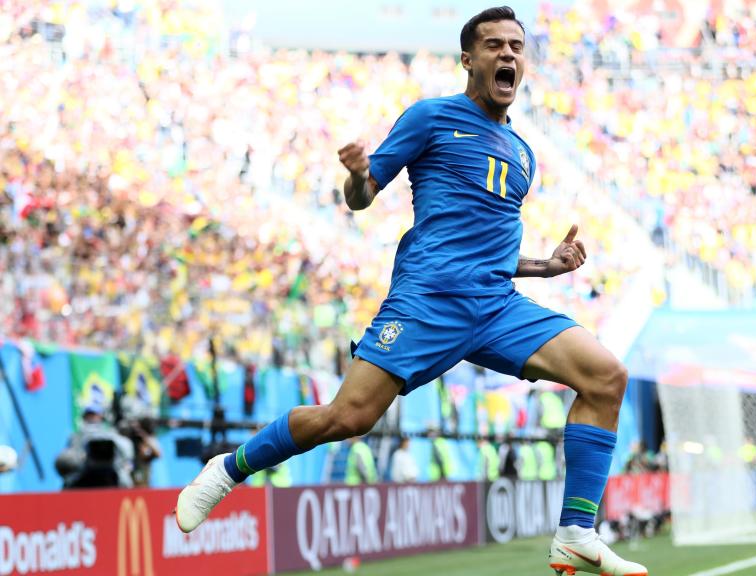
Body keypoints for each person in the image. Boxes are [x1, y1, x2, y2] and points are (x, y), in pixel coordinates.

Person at [176, 7, 645, 575]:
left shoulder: (523, 154)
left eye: (517, 46)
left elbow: (485, 247)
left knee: (606, 377)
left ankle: (575, 532)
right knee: (346, 418)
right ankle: (229, 468)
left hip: (495, 304)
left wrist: (545, 266)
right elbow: (363, 194)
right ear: (468, 59)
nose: (508, 55)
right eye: (494, 45)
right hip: (427, 302)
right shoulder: (430, 118)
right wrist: (355, 173)